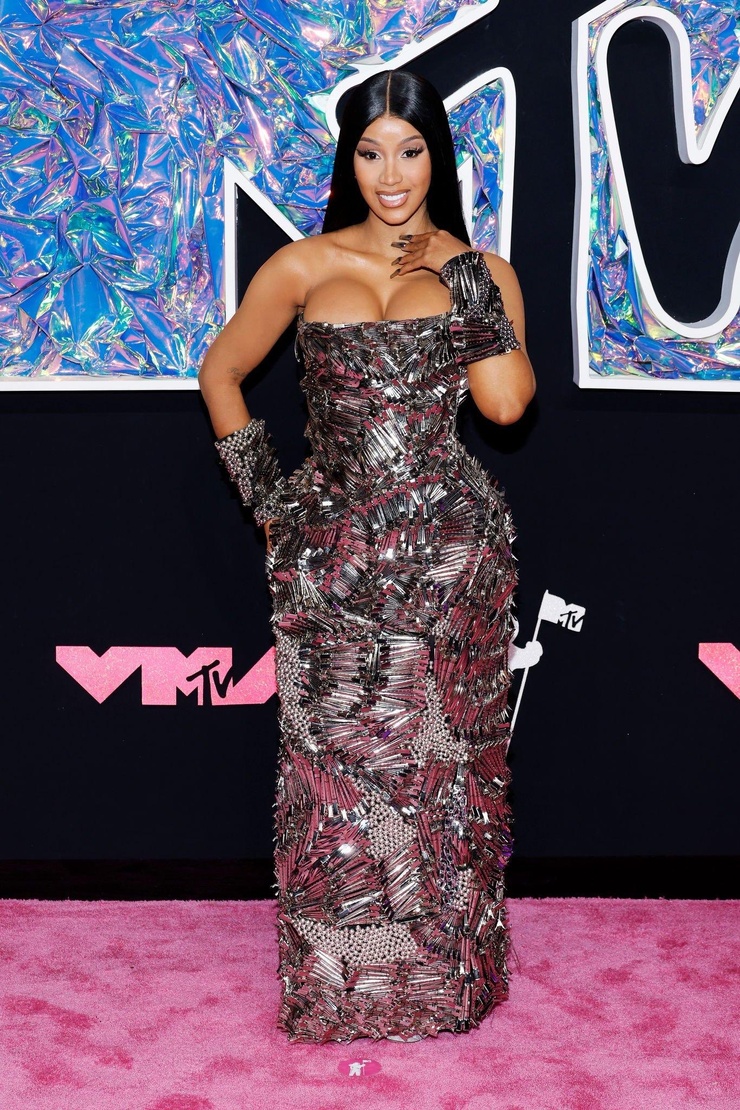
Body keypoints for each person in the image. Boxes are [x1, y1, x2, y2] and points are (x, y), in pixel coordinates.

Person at [199, 69, 536, 1044]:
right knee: (334, 778)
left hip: (449, 560)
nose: (391, 174)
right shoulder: (303, 265)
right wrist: (269, 502)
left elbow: (505, 404)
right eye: (371, 152)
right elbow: (221, 371)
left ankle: (444, 982)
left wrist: (462, 279)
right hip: (334, 562)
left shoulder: (481, 270)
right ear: (349, 162)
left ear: (438, 157)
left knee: (447, 778)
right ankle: (343, 987)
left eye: (411, 150)